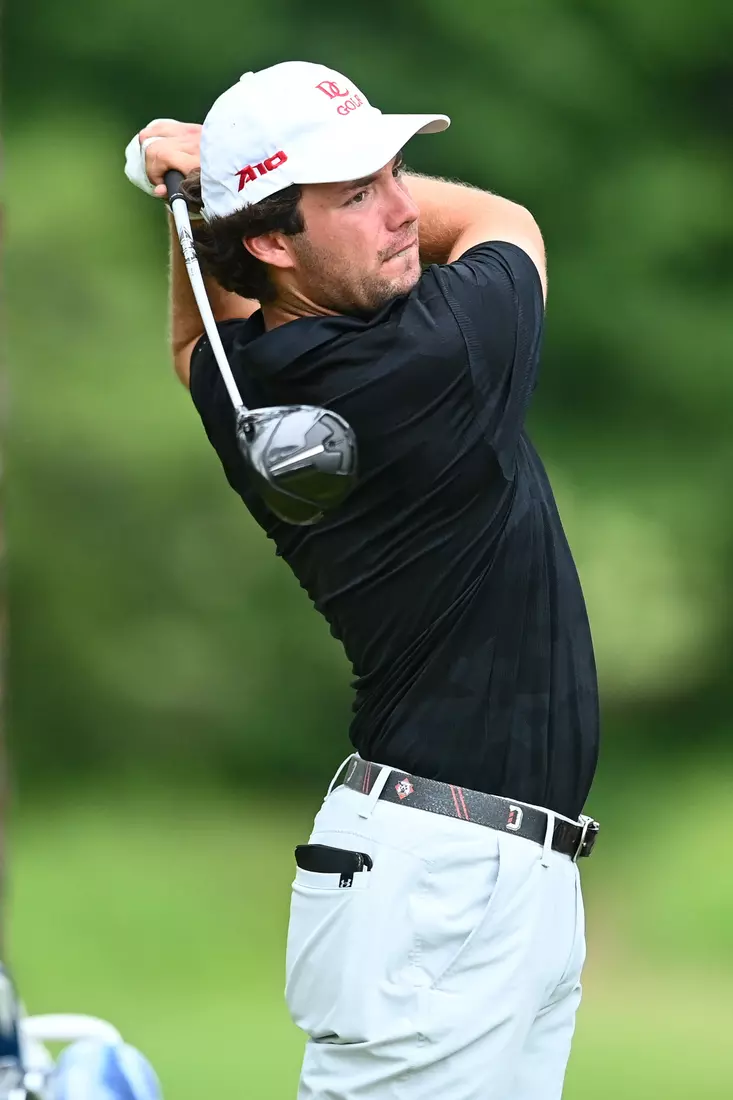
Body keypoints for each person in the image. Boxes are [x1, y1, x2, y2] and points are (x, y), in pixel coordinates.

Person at [124, 59, 600, 1100]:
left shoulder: (256, 386)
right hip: (443, 888)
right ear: (269, 240)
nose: (400, 211)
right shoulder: (435, 357)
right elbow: (503, 221)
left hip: (464, 876)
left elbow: (195, 344)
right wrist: (209, 189)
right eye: (356, 193)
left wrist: (207, 201)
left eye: (395, 173)